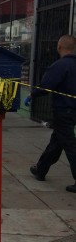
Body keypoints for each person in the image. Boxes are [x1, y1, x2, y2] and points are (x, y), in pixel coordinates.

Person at [27, 34, 76, 193]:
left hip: (63, 111)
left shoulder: (60, 65)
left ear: (59, 47)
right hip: (73, 111)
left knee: (69, 145)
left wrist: (32, 94)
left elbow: (47, 86)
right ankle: (41, 169)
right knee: (57, 142)